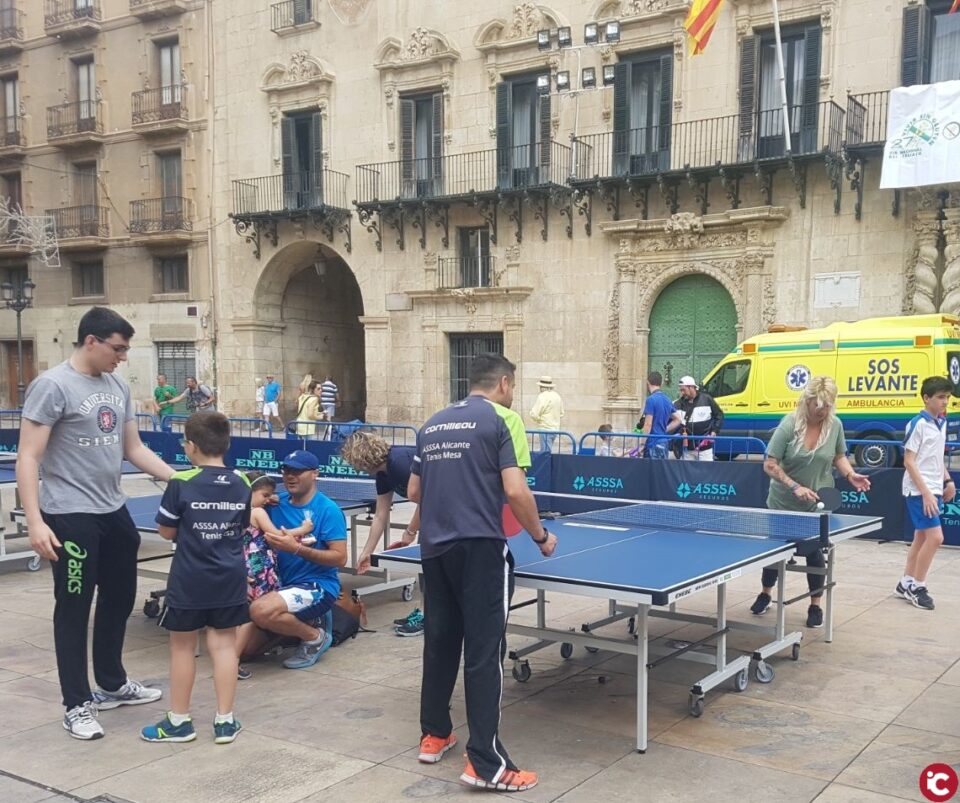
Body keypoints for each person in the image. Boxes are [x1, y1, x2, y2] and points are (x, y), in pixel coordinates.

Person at [16, 306, 173, 740]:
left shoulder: (117, 386)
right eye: (117, 349)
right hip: (69, 516)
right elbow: (28, 456)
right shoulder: (52, 386)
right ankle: (76, 704)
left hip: (112, 510)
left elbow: (134, 448)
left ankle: (111, 682)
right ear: (92, 341)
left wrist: (180, 481)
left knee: (120, 598)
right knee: (73, 608)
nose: (122, 357)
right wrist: (35, 521)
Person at [410, 353, 558, 793]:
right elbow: (515, 489)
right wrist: (541, 536)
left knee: (439, 644)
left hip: (434, 548)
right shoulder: (499, 421)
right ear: (505, 384)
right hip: (480, 549)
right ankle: (486, 763)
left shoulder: (431, 424)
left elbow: (415, 490)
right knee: (484, 652)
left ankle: (434, 734)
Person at [141, 413, 251, 745]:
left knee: (182, 647)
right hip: (230, 577)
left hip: (190, 578)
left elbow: (166, 530)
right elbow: (242, 527)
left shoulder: (180, 481)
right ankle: (225, 722)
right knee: (224, 646)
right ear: (227, 443)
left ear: (190, 446)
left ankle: (179, 721)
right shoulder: (243, 482)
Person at [750, 376, 871, 628]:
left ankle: (815, 606)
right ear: (806, 401)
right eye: (818, 406)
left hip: (817, 504)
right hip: (783, 502)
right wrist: (794, 486)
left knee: (815, 554)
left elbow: (839, 456)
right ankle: (765, 593)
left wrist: (851, 474)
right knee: (775, 553)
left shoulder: (834, 425)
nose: (822, 411)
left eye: (827, 406)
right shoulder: (789, 425)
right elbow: (769, 464)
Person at [243, 450, 347, 669]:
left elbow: (340, 558)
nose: (290, 476)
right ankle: (292, 625)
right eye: (287, 470)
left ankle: (314, 636)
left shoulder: (328, 510)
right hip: (277, 585)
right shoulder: (271, 503)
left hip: (317, 585)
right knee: (242, 652)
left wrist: (298, 549)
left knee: (260, 611)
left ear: (315, 474)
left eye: (298, 471)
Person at [340, 431, 423, 636]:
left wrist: (410, 531)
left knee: (430, 566)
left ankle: (427, 616)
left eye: (353, 462)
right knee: (427, 567)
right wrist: (367, 552)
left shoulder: (399, 464)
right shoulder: (383, 474)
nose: (354, 467)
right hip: (434, 509)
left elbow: (427, 497)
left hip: (449, 507)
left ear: (362, 457)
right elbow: (380, 515)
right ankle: (425, 612)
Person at [896, 375, 955, 611]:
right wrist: (927, 493)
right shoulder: (917, 424)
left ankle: (905, 583)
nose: (945, 402)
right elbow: (909, 462)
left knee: (921, 537)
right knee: (936, 538)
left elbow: (935, 458)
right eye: (941, 397)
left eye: (948, 397)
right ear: (926, 398)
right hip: (918, 490)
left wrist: (948, 480)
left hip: (933, 487)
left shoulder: (941, 423)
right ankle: (917, 587)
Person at [673, 376, 724, 461]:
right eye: (680, 390)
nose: (682, 393)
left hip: (705, 448)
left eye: (683, 390)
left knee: (706, 473)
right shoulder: (678, 404)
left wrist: (714, 431)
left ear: (691, 387)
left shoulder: (707, 399)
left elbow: (719, 415)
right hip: (687, 449)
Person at [635, 372, 681, 459]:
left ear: (648, 383)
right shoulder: (667, 399)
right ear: (661, 383)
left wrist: (641, 445)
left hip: (652, 443)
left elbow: (648, 425)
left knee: (651, 471)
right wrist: (664, 429)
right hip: (663, 442)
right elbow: (678, 419)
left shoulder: (651, 400)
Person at [528, 376, 564, 452]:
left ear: (542, 387)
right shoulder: (557, 396)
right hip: (555, 429)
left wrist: (539, 419)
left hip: (545, 429)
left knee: (545, 453)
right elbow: (561, 413)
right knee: (548, 451)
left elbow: (534, 414)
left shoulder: (542, 396)